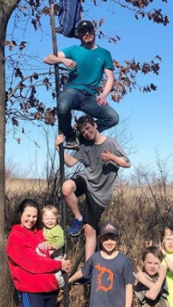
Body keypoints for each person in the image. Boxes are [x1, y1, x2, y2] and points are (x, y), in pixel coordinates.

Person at [4, 199, 71, 307]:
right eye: (28, 216)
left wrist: (62, 261)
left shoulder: (40, 234)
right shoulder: (15, 238)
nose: (31, 219)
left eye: (34, 216)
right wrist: (57, 265)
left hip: (50, 288)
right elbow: (32, 263)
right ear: (20, 215)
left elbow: (52, 248)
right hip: (30, 290)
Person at [56, 114, 130, 259]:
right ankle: (78, 218)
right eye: (83, 132)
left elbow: (127, 163)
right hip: (86, 179)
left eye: (88, 129)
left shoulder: (111, 143)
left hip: (100, 193)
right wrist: (59, 147)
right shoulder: (85, 146)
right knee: (66, 187)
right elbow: (70, 162)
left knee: (90, 231)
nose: (87, 133)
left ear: (95, 125)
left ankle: (89, 267)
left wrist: (113, 158)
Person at [43, 19, 119, 148]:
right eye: (83, 32)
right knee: (62, 104)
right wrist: (63, 60)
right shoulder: (74, 50)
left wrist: (104, 95)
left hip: (90, 97)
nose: (87, 33)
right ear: (79, 35)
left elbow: (110, 77)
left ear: (94, 32)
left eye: (89, 30)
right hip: (73, 91)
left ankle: (83, 135)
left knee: (112, 117)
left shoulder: (104, 53)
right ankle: (70, 136)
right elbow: (47, 58)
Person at [41, 204, 65, 288]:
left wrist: (53, 246)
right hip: (46, 254)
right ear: (42, 220)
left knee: (56, 275)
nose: (50, 221)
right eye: (47, 219)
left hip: (56, 255)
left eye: (52, 218)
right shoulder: (43, 229)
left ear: (56, 219)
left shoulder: (57, 229)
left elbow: (61, 241)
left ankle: (61, 285)